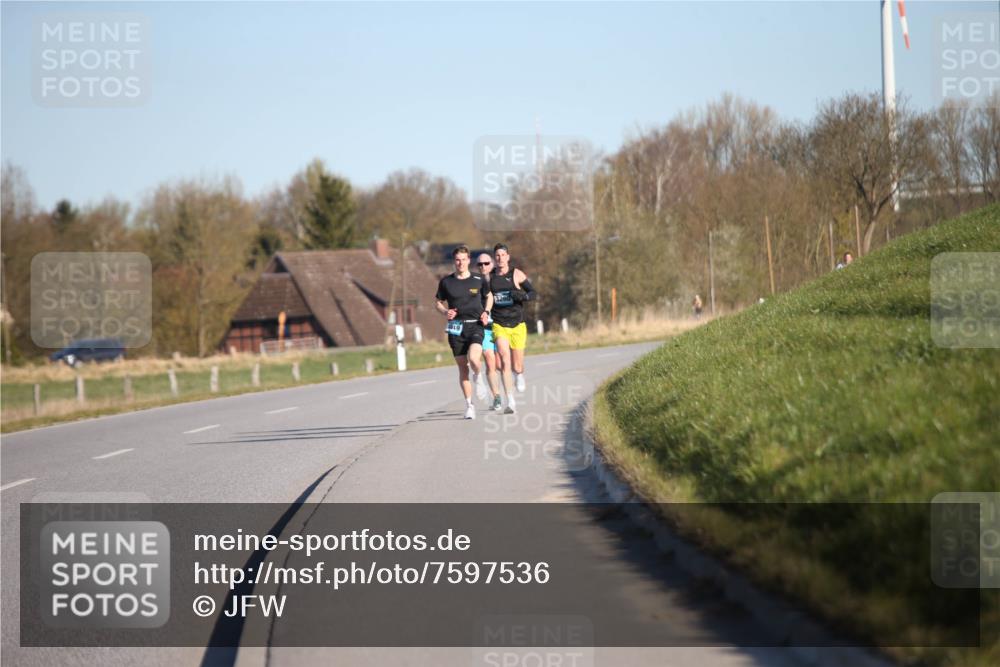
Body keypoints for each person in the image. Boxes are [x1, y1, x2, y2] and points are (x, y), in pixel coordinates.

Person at [435, 245, 491, 419]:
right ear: (454, 261)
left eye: (463, 259)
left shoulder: (479, 279)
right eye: (457, 260)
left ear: (468, 260)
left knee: (474, 358)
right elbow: (437, 302)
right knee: (462, 367)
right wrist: (445, 312)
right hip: (455, 328)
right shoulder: (446, 282)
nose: (460, 263)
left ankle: (479, 377)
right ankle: (469, 405)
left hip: (475, 324)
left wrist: (486, 312)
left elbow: (489, 296)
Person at [489, 243, 536, 414]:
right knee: (503, 357)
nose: (500, 258)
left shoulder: (516, 274)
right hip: (499, 324)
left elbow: (533, 293)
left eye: (503, 255)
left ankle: (519, 374)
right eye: (497, 256)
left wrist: (522, 295)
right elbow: (483, 297)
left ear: (508, 257)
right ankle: (510, 401)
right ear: (495, 258)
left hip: (517, 324)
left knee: (517, 365)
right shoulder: (490, 278)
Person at [475, 252, 503, 412]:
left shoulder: (498, 280)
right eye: (480, 264)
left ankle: (504, 389)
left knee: (500, 364)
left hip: (499, 327)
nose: (483, 266)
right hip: (484, 329)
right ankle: (497, 397)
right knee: (489, 359)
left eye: (486, 263)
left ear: (492, 264)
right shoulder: (474, 283)